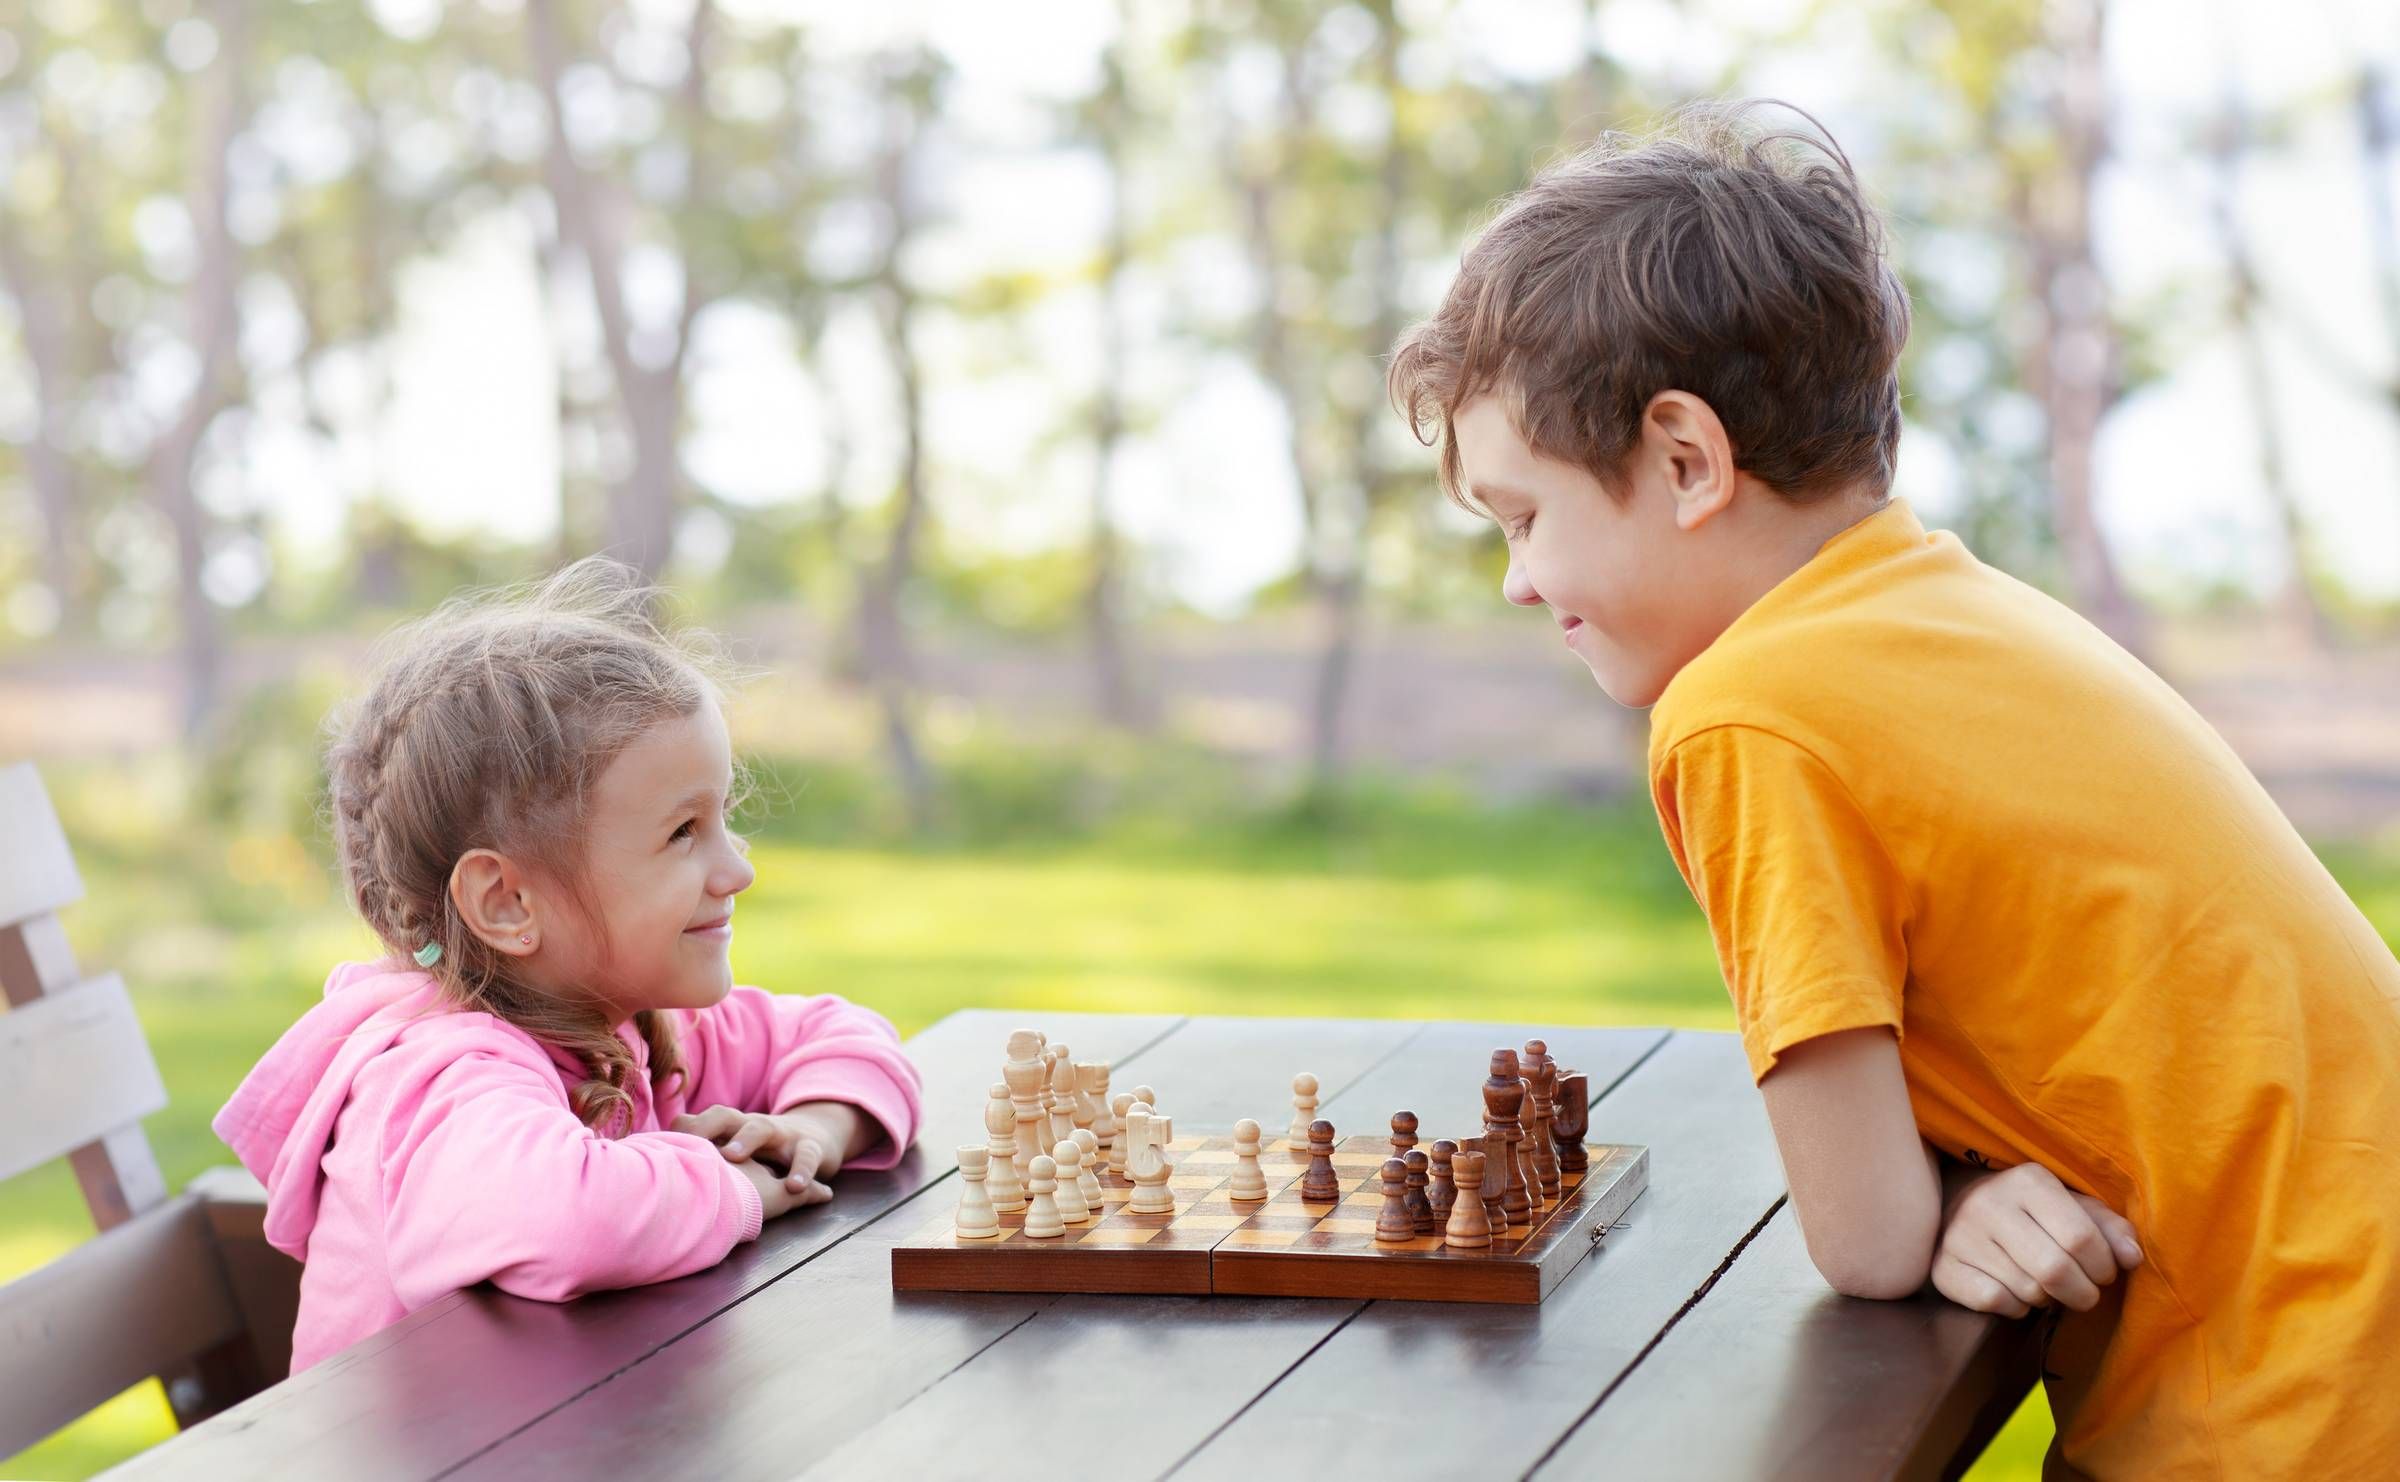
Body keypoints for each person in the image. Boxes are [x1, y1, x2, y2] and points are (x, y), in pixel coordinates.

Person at [1386, 98, 2400, 1478]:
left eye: (1522, 515)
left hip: (2295, 1401)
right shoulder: (1948, 608)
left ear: (1686, 460)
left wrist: (1930, 1207)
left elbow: (1863, 1238)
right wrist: (1963, 1189)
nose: (1516, 577)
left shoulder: (1749, 711)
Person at [214, 558, 921, 1374]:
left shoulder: (630, 1022)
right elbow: (567, 1217)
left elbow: (846, 1036)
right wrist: (741, 1190)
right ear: (508, 902)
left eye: (724, 817)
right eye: (682, 833)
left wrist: (812, 1130)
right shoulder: (441, 1078)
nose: (737, 870)